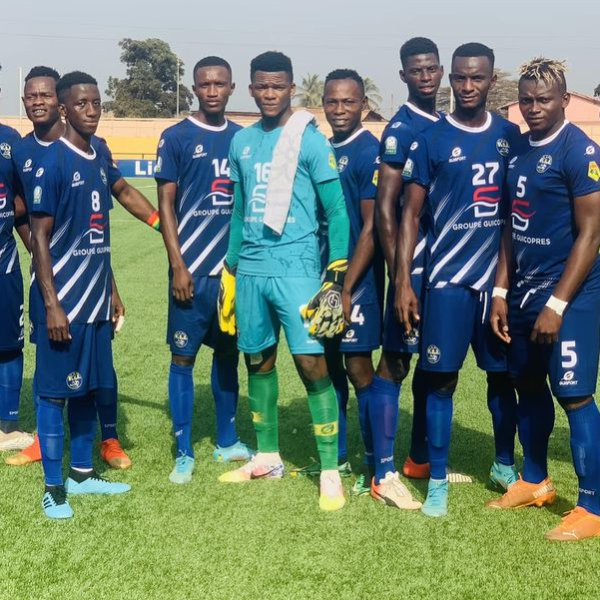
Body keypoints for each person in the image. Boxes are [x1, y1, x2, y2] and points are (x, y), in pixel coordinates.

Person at [217, 51, 350, 511]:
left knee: (312, 365)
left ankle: (330, 470)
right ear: (251, 88)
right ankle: (268, 457)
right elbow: (238, 212)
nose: (269, 94)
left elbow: (337, 212)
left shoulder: (309, 140)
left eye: (278, 86)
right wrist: (230, 269)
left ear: (292, 88)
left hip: (297, 269)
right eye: (262, 86)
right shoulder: (241, 141)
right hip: (252, 272)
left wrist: (335, 276)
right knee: (257, 361)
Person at [8, 65, 160, 468]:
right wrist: (42, 259)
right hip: (53, 282)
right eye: (31, 96)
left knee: (99, 369)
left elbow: (96, 226)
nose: (38, 102)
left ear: (58, 104)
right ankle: (45, 444)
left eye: (45, 95)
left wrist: (113, 285)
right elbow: (24, 215)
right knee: (51, 365)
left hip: (90, 284)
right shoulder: (22, 153)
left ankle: (109, 439)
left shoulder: (95, 149)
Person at [396, 43, 520, 517]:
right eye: (461, 78)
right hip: (446, 282)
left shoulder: (509, 135)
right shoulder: (430, 138)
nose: (468, 87)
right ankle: (437, 479)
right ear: (451, 79)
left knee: (502, 378)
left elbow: (515, 213)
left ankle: (504, 464)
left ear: (492, 80)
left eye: (477, 78)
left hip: (495, 287)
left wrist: (506, 284)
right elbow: (410, 216)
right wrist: (404, 282)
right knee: (441, 381)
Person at [488, 58, 600, 541]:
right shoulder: (517, 151)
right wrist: (500, 290)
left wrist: (557, 304)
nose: (534, 108)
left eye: (544, 100)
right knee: (527, 384)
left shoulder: (580, 151)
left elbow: (592, 233)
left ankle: (592, 506)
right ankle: (535, 481)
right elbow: (510, 228)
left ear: (565, 100)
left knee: (574, 394)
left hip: (571, 294)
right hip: (523, 291)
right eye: (527, 100)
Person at [29, 71, 131, 518]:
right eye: (81, 104)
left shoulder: (99, 156)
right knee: (54, 393)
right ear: (64, 109)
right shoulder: (52, 162)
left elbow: (96, 234)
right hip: (63, 304)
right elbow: (39, 238)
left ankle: (83, 474)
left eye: (97, 103)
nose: (91, 111)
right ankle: (54, 488)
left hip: (95, 302)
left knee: (88, 389)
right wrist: (52, 306)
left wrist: (111, 289)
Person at [155, 56, 252, 484]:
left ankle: (227, 440)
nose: (212, 91)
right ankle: (183, 450)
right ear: (194, 88)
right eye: (204, 84)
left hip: (230, 275)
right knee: (183, 357)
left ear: (232, 88)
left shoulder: (243, 139)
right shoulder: (176, 136)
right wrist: (178, 265)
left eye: (219, 84)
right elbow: (166, 205)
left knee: (228, 354)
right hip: (190, 273)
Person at [290, 69, 384, 492]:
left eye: (348, 101)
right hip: (323, 280)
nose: (340, 109)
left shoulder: (368, 151)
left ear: (363, 104)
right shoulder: (323, 149)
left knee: (359, 370)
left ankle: (376, 465)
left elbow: (371, 228)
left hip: (355, 284)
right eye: (332, 101)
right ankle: (339, 458)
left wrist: (345, 287)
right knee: (328, 370)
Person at [367, 37, 444, 508]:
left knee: (433, 364)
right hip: (411, 265)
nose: (426, 76)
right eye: (416, 70)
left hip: (444, 264)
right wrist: (401, 278)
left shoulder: (446, 122)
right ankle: (383, 473)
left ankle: (418, 460)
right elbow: (386, 209)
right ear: (403, 76)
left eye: (431, 68)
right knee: (395, 361)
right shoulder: (400, 129)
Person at [0, 83, 34, 452]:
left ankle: (7, 428)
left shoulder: (11, 141)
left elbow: (25, 198)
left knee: (9, 345)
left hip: (3, 263)